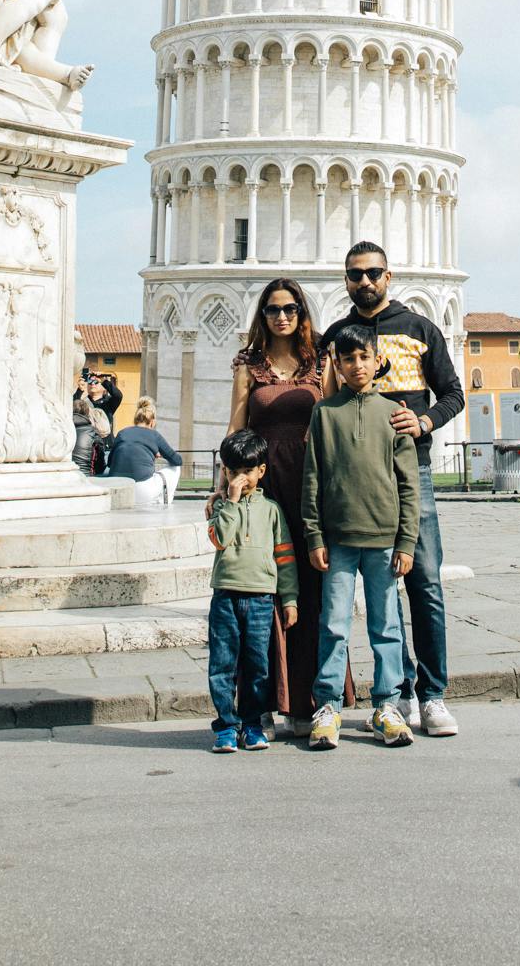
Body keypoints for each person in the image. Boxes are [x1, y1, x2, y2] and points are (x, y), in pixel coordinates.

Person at [319, 241, 464, 739]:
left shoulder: (420, 328)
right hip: (354, 481)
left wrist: (424, 422)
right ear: (345, 280)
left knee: (423, 581)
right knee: (380, 593)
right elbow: (324, 399)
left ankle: (433, 695)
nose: (365, 281)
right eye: (356, 274)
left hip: (411, 474)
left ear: (389, 275)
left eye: (374, 272)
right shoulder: (336, 336)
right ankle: (395, 695)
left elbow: (454, 394)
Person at [223, 276, 349, 735]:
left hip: (311, 483)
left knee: (314, 589)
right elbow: (237, 428)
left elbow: (336, 419)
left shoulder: (320, 362)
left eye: (290, 309)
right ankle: (260, 704)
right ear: (263, 315)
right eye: (273, 309)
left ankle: (309, 701)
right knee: (263, 591)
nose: (281, 316)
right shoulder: (248, 365)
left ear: (302, 313)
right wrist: (228, 483)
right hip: (263, 486)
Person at [303, 320, 420, 750]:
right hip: (337, 540)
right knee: (333, 624)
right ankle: (329, 704)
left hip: (383, 540)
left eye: (363, 357)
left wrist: (406, 542)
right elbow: (312, 478)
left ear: (377, 361)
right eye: (347, 358)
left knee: (386, 624)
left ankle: (387, 704)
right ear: (337, 362)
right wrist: (314, 535)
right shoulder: (324, 413)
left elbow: (408, 485)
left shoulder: (393, 414)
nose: (356, 365)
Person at [206, 428, 300, 753]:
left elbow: (285, 557)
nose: (240, 478)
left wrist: (289, 599)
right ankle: (226, 726)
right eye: (233, 471)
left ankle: (252, 723)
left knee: (257, 664)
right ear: (224, 471)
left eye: (247, 471)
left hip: (261, 596)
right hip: (225, 596)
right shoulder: (219, 507)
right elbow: (220, 538)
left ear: (261, 471)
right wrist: (229, 501)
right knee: (222, 664)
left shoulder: (271, 510)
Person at [105, 398, 181, 511]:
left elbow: (110, 463)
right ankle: (164, 502)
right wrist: (158, 454)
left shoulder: (122, 433)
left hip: (117, 489)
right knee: (176, 468)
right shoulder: (154, 435)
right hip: (142, 491)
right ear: (152, 422)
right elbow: (177, 460)